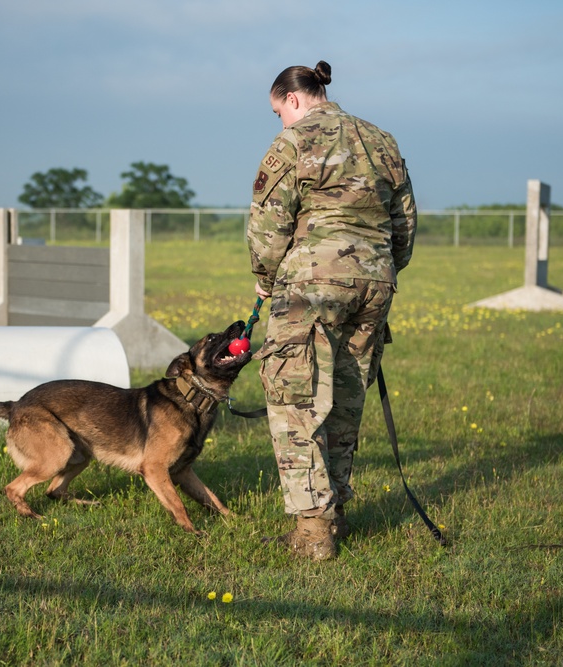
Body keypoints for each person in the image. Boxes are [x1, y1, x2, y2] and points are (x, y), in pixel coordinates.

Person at [247, 60, 417, 561]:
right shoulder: (381, 139)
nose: (281, 121)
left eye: (279, 111)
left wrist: (265, 282)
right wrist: (380, 271)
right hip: (375, 283)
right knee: (344, 402)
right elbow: (404, 221)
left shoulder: (293, 141)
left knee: (295, 402)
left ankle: (313, 531)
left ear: (293, 99)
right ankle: (335, 511)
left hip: (311, 286)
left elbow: (268, 226)